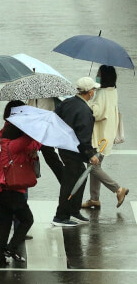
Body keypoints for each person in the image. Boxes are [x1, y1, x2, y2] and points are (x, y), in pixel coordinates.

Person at [0, 113, 40, 265]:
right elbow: (29, 139)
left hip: (2, 190)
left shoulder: (8, 144)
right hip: (12, 191)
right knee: (27, 219)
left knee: (5, 223)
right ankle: (11, 248)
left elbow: (29, 155)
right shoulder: (13, 145)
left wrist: (34, 155)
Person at [52, 77, 100, 227]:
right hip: (75, 151)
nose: (94, 92)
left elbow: (55, 119)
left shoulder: (66, 102)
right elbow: (83, 137)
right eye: (94, 90)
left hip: (64, 147)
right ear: (90, 92)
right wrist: (91, 155)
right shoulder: (85, 111)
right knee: (70, 183)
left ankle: (74, 209)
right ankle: (61, 216)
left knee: (80, 176)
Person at [82, 65, 129, 209]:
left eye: (99, 73)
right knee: (96, 166)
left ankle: (118, 189)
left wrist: (88, 102)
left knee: (93, 167)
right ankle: (94, 199)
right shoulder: (112, 91)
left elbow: (97, 114)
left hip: (99, 137)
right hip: (107, 134)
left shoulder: (102, 93)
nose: (97, 75)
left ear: (104, 77)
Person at [25, 96, 64, 183]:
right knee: (50, 158)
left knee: (51, 158)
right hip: (36, 128)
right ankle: (65, 182)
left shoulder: (47, 95)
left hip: (44, 128)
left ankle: (65, 182)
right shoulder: (33, 96)